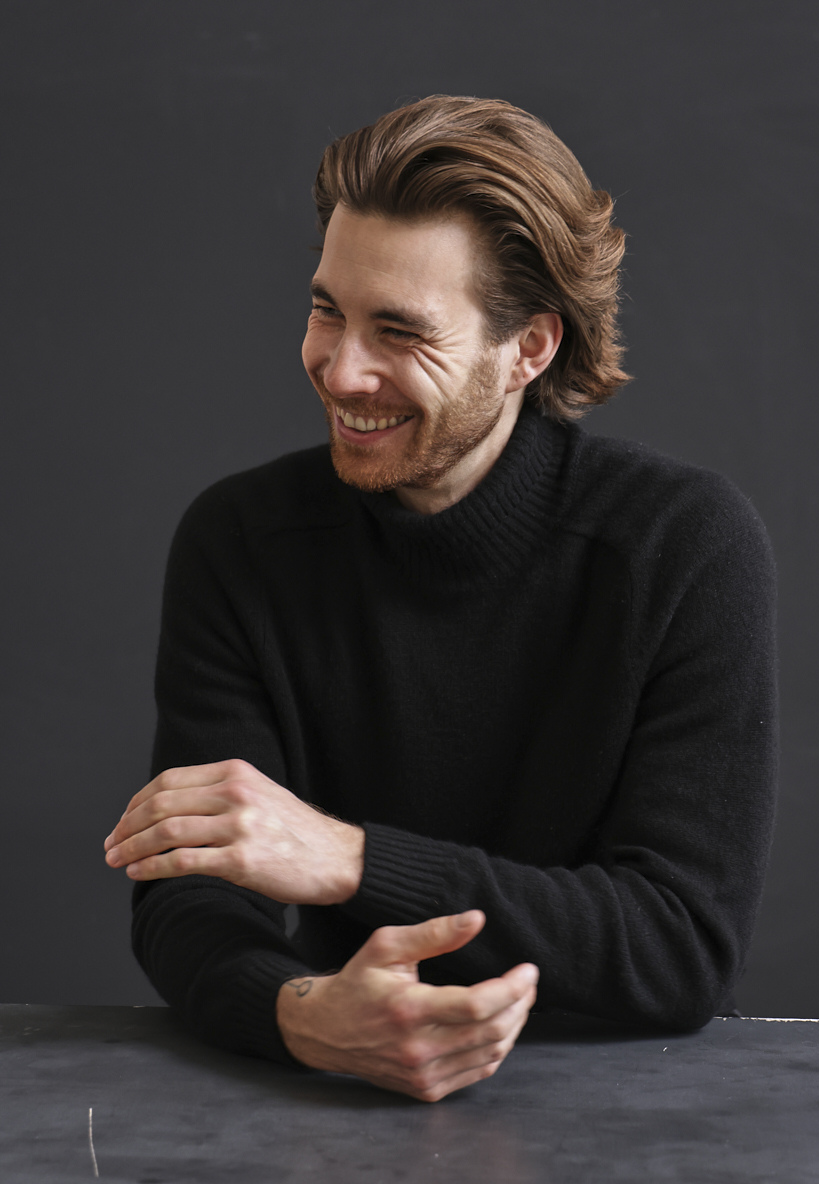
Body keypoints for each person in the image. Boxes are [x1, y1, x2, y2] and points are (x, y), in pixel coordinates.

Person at [104, 95, 777, 1103]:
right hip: (329, 1101)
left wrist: (350, 859)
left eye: (400, 330)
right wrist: (300, 1016)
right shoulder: (241, 542)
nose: (342, 369)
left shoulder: (679, 546)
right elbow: (191, 895)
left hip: (632, 1107)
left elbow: (679, 943)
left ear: (529, 349)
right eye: (327, 309)